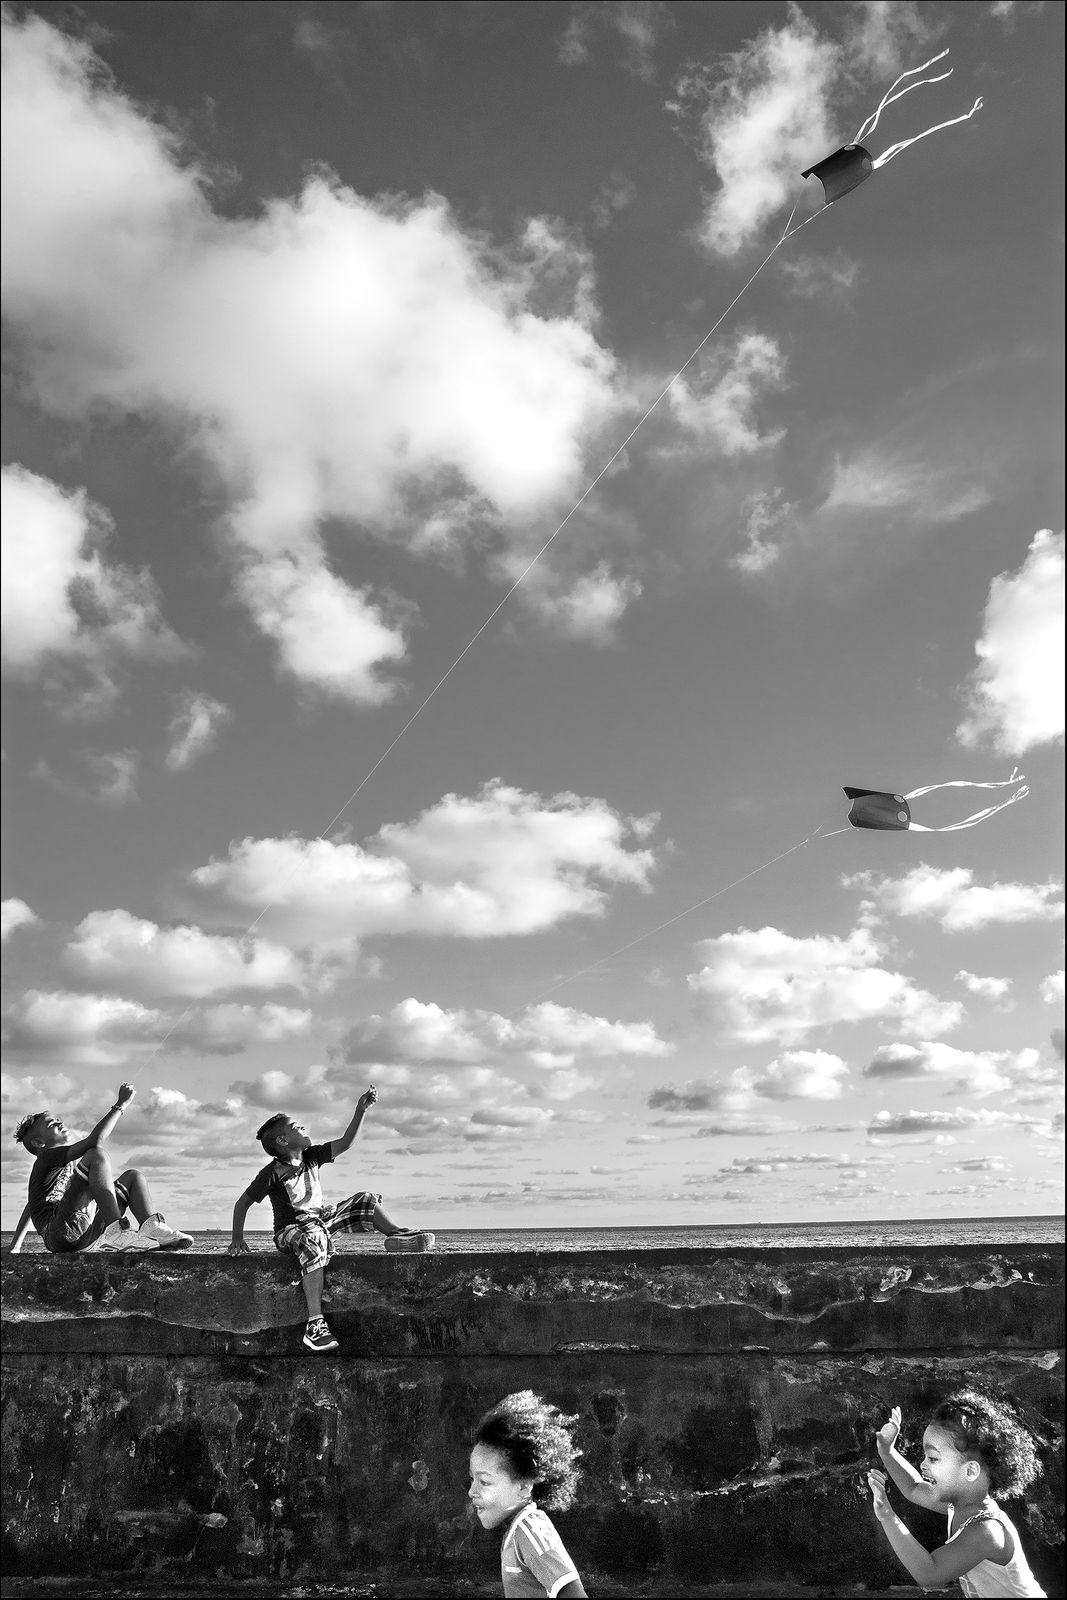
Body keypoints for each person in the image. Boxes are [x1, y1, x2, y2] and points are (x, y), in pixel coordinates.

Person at [227, 1086, 433, 1353]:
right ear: (283, 1141)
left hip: (319, 1223)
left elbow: (346, 1142)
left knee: (365, 1200)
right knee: (313, 1239)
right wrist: (237, 1238)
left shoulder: (313, 1157)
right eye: (296, 1127)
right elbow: (242, 1203)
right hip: (291, 1231)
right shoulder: (273, 1172)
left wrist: (361, 1110)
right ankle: (314, 1324)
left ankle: (397, 1235)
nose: (303, 1127)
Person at [868, 1393, 1046, 1596]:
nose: (923, 1464)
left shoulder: (987, 1532)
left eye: (933, 1458)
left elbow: (929, 1574)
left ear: (970, 1471)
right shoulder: (960, 1506)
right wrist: (887, 1451)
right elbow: (913, 1488)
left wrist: (887, 1516)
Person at [8, 1083, 193, 1254]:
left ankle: (151, 1227)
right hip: (59, 1234)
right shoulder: (46, 1158)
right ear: (39, 1142)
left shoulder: (66, 1166)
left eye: (57, 1119)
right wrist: (121, 1104)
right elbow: (93, 1141)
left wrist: (16, 1245)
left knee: (133, 1177)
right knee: (96, 1154)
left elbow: (31, 1206)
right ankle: (116, 1232)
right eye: (52, 1125)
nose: (60, 1123)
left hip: (83, 1234)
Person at [469, 1391, 587, 1599]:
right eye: (472, 1479)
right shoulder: (516, 1530)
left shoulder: (530, 1531)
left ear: (524, 1487)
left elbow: (572, 1592)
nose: (472, 1491)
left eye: (484, 1482)